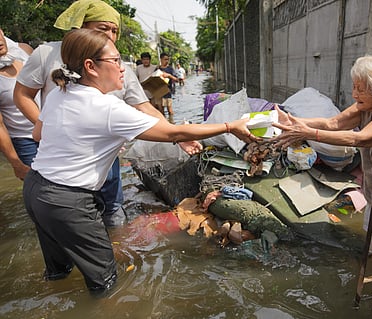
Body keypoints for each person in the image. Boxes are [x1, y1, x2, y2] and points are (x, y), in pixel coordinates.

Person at [23, 28, 258, 293]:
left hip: (35, 189)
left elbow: (37, 133)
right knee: (106, 284)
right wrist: (229, 126)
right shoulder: (107, 108)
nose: (123, 68)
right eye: (115, 60)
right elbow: (173, 132)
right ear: (91, 67)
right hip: (67, 202)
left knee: (58, 271)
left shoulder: (59, 93)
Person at [14, 0, 201, 227]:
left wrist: (176, 137)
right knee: (60, 214)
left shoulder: (118, 65)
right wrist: (44, 127)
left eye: (114, 31)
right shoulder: (47, 54)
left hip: (105, 153)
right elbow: (22, 95)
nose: (111, 36)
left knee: (111, 209)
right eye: (103, 28)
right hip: (61, 160)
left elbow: (145, 107)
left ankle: (115, 253)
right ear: (79, 25)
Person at [273, 55, 372, 262]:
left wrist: (308, 134)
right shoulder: (368, 104)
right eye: (354, 87)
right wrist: (296, 122)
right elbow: (334, 123)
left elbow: (362, 139)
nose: (354, 94)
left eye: (360, 89)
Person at [0, 28, 35, 180]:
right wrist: (16, 164)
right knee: (41, 188)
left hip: (52, 130)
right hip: (25, 141)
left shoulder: (24, 50)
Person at [158, 52, 178, 117]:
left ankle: (171, 122)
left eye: (167, 59)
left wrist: (169, 76)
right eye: (165, 59)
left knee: (170, 110)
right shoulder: (157, 69)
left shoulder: (170, 69)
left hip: (168, 91)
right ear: (161, 59)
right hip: (159, 92)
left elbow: (176, 79)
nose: (166, 61)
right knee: (161, 110)